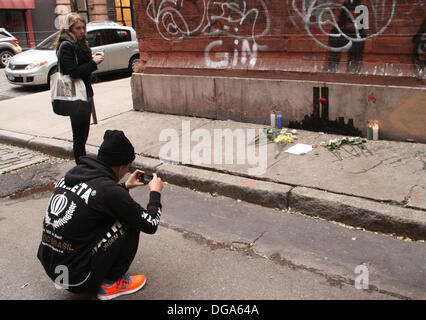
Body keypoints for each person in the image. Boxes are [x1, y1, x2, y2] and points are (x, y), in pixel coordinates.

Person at [37, 129, 163, 300]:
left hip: (53, 268)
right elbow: (150, 223)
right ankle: (112, 283)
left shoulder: (74, 175)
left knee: (114, 212)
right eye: (127, 167)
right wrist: (155, 193)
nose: (127, 171)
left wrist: (125, 186)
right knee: (130, 219)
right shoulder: (108, 192)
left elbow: (95, 197)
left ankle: (92, 268)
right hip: (76, 279)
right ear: (120, 166)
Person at [55, 12, 104, 164]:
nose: (82, 31)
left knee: (83, 134)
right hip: (75, 95)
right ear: (69, 29)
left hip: (84, 93)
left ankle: (82, 164)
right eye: (78, 28)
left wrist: (91, 59)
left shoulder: (79, 44)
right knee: (79, 136)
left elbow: (81, 66)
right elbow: (74, 72)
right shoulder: (66, 46)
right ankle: (81, 165)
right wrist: (93, 62)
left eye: (83, 27)